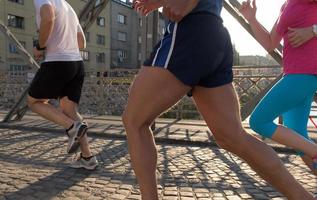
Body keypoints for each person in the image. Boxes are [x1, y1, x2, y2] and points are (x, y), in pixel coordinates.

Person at [123, 0, 316, 199]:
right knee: (233, 137)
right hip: (214, 33)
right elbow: (269, 42)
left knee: (135, 121)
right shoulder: (288, 6)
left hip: (189, 33)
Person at [240, 0, 317, 175]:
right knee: (296, 134)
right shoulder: (287, 4)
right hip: (294, 74)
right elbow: (270, 43)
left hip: (307, 73)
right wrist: (252, 19)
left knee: (258, 121)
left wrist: (312, 31)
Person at [28, 0, 98, 170]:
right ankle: (87, 157)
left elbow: (48, 18)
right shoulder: (67, 7)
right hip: (77, 64)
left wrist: (40, 46)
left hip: (57, 61)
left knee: (34, 102)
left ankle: (71, 127)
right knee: (70, 110)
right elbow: (82, 42)